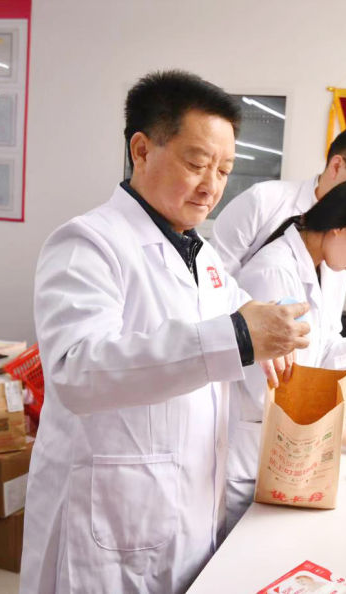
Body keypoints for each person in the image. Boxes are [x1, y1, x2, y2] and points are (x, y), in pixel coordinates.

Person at [21, 70, 311, 594]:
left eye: (224, 170)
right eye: (197, 164)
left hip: (185, 508)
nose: (212, 186)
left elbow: (239, 314)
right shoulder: (88, 244)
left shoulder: (202, 254)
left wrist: (268, 329)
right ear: (141, 150)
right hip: (109, 522)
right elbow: (77, 371)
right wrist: (240, 338)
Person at [226, 176, 346, 531]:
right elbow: (268, 386)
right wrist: (338, 430)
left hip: (283, 453)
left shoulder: (320, 268)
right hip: (251, 457)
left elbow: (324, 348)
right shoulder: (274, 272)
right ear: (341, 228)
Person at [212, 126, 346, 406]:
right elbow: (215, 284)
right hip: (253, 406)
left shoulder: (331, 249)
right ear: (337, 165)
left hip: (294, 395)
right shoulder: (267, 213)